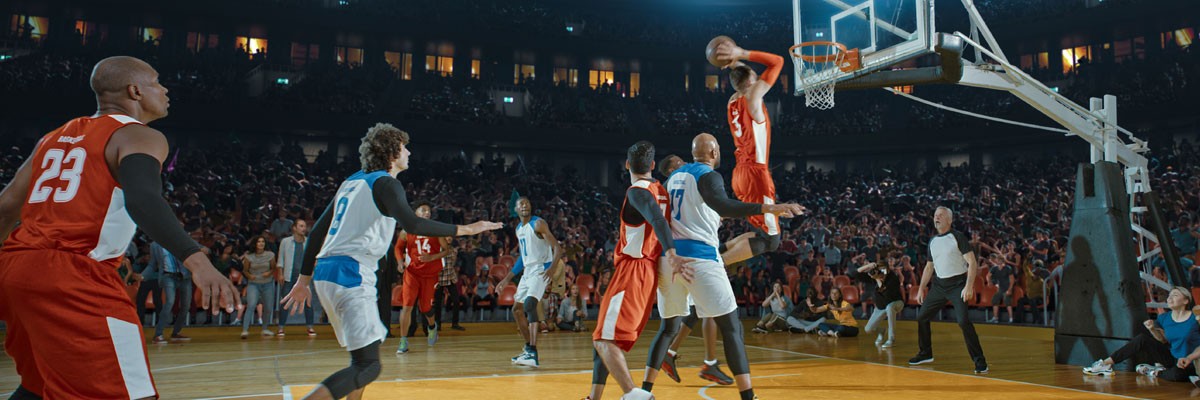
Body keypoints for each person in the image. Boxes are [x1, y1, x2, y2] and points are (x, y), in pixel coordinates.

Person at [0, 56, 239, 400]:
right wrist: (198, 262)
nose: (166, 90)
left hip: (16, 269)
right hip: (73, 275)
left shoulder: (52, 138)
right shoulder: (139, 135)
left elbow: (7, 207)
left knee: (39, 388)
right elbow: (141, 198)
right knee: (130, 395)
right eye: (158, 82)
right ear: (135, 90)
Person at [281, 123, 502, 400]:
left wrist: (304, 280)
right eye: (404, 146)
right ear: (391, 151)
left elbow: (316, 233)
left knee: (361, 359)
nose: (408, 151)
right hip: (351, 272)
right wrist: (468, 229)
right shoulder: (387, 182)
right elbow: (412, 222)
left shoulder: (351, 181)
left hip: (327, 273)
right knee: (369, 366)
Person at [643, 133, 805, 400]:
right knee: (732, 328)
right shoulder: (709, 176)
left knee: (667, 328)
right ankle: (747, 395)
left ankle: (645, 390)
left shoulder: (673, 179)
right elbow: (723, 205)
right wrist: (769, 208)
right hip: (699, 260)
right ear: (715, 153)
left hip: (670, 261)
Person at [584, 141, 686, 400]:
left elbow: (656, 218)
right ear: (652, 165)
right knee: (604, 338)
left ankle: (634, 394)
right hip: (647, 270)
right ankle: (594, 397)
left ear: (627, 165)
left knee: (603, 340)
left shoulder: (637, 192)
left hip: (634, 270)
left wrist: (672, 251)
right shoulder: (661, 189)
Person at [649, 154, 734, 387]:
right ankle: (708, 363)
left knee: (697, 312)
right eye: (678, 160)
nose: (684, 161)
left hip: (678, 254)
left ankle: (673, 356)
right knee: (710, 311)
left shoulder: (673, 187)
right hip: (690, 255)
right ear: (673, 168)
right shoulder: (684, 180)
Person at [711, 42, 787, 267]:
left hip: (741, 174)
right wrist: (741, 53)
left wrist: (734, 61)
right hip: (756, 173)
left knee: (759, 232)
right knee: (771, 241)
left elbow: (742, 76)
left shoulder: (732, 100)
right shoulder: (753, 96)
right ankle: (714, 266)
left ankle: (715, 253)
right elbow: (778, 62)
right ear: (752, 81)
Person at [909, 206, 989, 374]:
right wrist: (921, 288)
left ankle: (980, 361)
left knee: (963, 321)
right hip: (939, 286)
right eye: (935, 215)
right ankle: (925, 353)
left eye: (940, 215)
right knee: (922, 317)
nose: (936, 218)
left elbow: (972, 263)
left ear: (949, 220)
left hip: (958, 285)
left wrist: (968, 286)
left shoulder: (957, 237)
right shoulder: (933, 241)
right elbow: (929, 267)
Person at [495, 197, 565, 368]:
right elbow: (522, 258)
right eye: (521, 204)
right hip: (528, 271)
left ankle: (533, 353)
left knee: (529, 305)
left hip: (541, 269)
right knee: (517, 309)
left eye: (527, 203)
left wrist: (551, 268)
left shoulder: (538, 224)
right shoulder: (519, 229)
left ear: (531, 207)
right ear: (516, 210)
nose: (525, 205)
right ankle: (528, 349)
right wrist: (506, 279)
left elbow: (557, 247)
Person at [1084, 287, 1200, 386]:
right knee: (1142, 338)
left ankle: (1154, 371)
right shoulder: (1164, 318)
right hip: (1172, 358)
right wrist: (1152, 329)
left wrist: (1190, 358)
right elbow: (1163, 340)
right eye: (1169, 295)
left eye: (1175, 295)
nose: (1170, 298)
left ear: (1186, 300)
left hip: (1191, 361)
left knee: (1177, 375)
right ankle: (1105, 364)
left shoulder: (1195, 319)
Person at [394, 201, 453, 354]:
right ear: (416, 213)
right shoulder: (407, 230)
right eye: (423, 210)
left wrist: (432, 257)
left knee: (425, 307)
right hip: (412, 273)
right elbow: (398, 248)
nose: (427, 213)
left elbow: (447, 251)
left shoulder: (436, 231)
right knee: (407, 306)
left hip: (430, 275)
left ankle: (432, 327)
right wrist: (400, 261)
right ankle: (403, 341)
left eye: (429, 211)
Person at [278, 219, 319, 336]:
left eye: (304, 226)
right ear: (294, 228)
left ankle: (310, 326)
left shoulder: (308, 242)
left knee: (308, 302)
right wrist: (280, 273)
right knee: (285, 301)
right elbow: (281, 259)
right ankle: (281, 327)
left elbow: (314, 258)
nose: (304, 228)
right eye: (301, 226)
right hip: (289, 276)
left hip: (304, 277)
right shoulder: (285, 242)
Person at [150, 240, 193, 344]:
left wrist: (205, 249)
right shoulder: (155, 245)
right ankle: (158, 334)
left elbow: (197, 247)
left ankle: (176, 332)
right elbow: (152, 264)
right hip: (168, 276)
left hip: (184, 276)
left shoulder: (180, 239)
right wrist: (143, 276)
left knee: (186, 306)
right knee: (169, 302)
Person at [856, 262, 903, 347]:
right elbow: (857, 273)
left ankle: (891, 339)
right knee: (868, 329)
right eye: (879, 270)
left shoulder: (893, 278)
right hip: (881, 307)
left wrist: (877, 279)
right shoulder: (874, 276)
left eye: (883, 270)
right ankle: (881, 331)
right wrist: (869, 266)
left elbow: (887, 294)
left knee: (890, 307)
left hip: (896, 303)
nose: (882, 273)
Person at [241, 235, 277, 339]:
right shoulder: (249, 256)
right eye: (259, 242)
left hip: (268, 283)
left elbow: (274, 268)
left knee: (268, 307)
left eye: (263, 242)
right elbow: (245, 270)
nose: (261, 243)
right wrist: (249, 276)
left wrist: (269, 273)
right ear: (255, 244)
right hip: (253, 283)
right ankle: (245, 330)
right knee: (251, 305)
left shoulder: (270, 255)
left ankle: (265, 329)